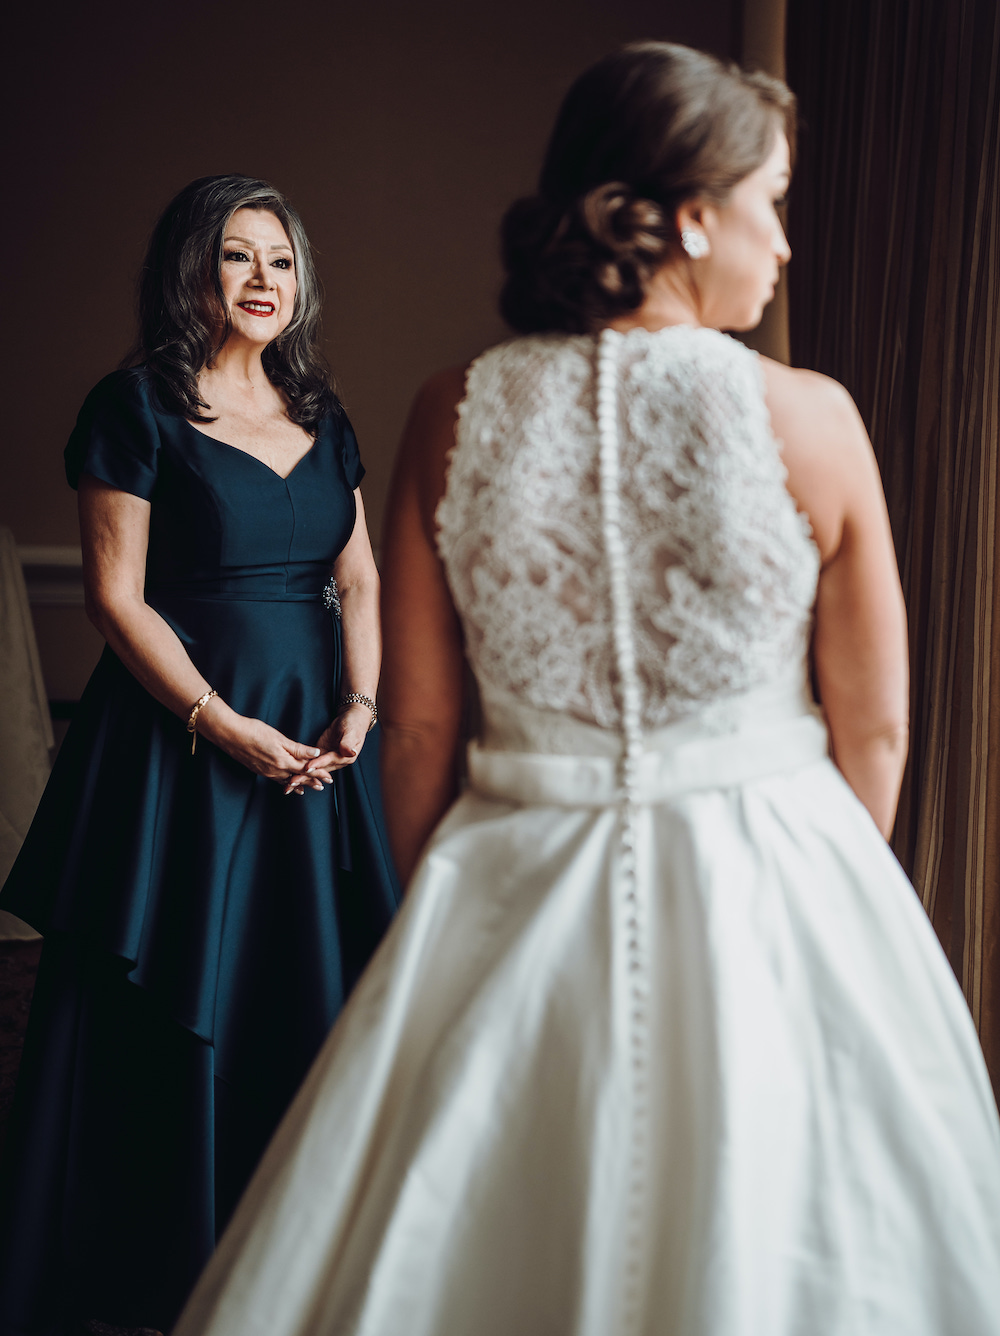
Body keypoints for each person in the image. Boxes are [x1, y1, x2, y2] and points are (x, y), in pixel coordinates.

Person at [173, 46, 1000, 1336]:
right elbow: (876, 722)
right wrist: (825, 901)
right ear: (686, 214)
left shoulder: (455, 410)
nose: (782, 241)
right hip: (773, 859)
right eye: (770, 200)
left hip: (511, 867)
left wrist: (434, 931)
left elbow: (424, 733)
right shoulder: (814, 417)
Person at [0, 175, 400, 1336]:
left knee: (303, 981)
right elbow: (116, 600)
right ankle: (148, 1248)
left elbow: (360, 577)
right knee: (168, 988)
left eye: (281, 259)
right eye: (238, 256)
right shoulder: (132, 407)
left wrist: (361, 708)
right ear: (193, 271)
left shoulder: (324, 414)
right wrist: (220, 723)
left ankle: (293, 1252)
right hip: (180, 743)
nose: (265, 279)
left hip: (319, 745)